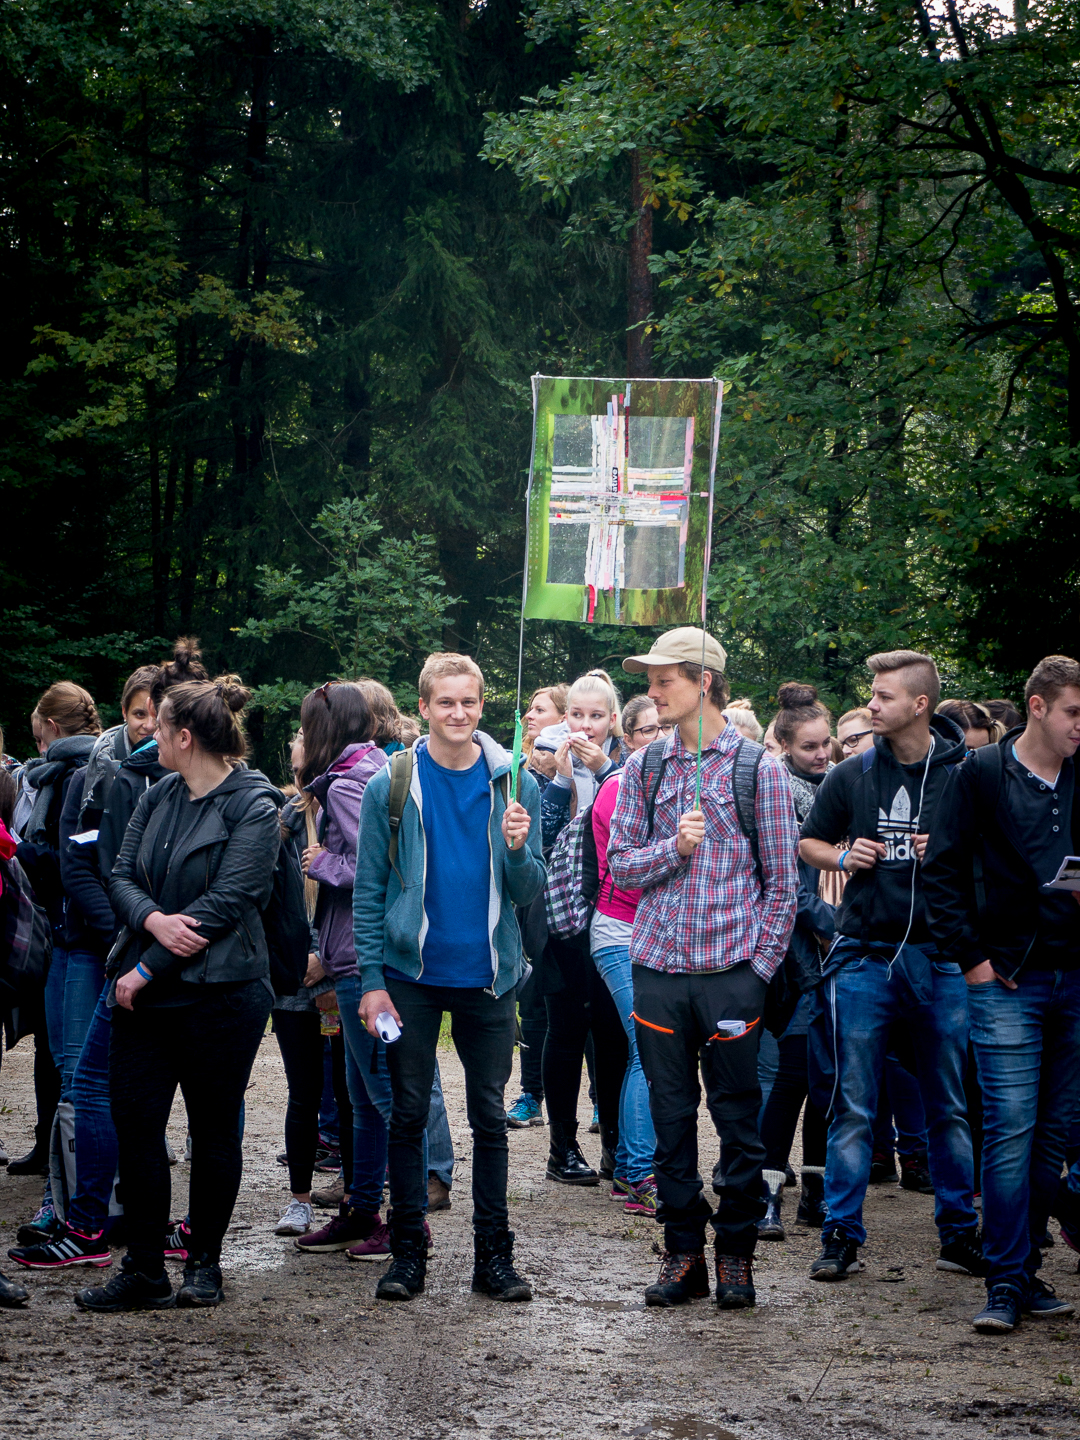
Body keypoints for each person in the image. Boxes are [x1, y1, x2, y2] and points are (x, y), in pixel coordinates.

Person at [74, 676, 280, 1312]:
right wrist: (152, 922)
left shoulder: (256, 805)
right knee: (136, 1125)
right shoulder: (159, 790)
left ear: (184, 737)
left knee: (213, 1129)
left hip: (221, 996)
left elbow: (226, 904)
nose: (153, 738)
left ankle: (204, 1266)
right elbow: (120, 873)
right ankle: (143, 1267)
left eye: (161, 729)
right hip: (148, 994)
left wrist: (145, 965)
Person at [608, 627, 799, 1310]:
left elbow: (783, 885)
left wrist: (759, 971)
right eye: (651, 680)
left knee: (739, 1120)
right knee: (669, 1117)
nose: (652, 692)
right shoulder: (645, 767)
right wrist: (673, 849)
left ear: (704, 682)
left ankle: (737, 1254)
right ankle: (683, 1250)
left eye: (664, 680)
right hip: (657, 967)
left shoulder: (760, 769)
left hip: (730, 973)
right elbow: (620, 865)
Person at [354, 652, 547, 1302]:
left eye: (469, 702)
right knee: (407, 1116)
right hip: (410, 975)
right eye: (446, 703)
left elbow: (529, 891)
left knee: (488, 1120)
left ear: (482, 705)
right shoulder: (394, 781)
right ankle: (407, 1253)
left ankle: (495, 1260)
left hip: (489, 978)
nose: (458, 713)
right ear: (426, 707)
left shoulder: (515, 781)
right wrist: (372, 978)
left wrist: (519, 848)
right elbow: (369, 890)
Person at [799, 650, 983, 1283]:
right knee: (854, 1103)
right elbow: (809, 843)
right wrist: (845, 855)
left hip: (942, 958)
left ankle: (959, 1235)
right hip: (865, 957)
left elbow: (1002, 858)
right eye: (871, 695)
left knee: (949, 1104)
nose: (871, 705)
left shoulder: (969, 775)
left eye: (882, 697)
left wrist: (957, 852)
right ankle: (841, 1235)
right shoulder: (851, 774)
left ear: (920, 705)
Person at [924, 654, 1080, 1333]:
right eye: (1075, 711)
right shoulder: (982, 774)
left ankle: (1024, 1265)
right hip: (1007, 979)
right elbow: (943, 872)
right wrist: (973, 961)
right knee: (1010, 1131)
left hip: (1075, 976)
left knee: (1057, 1135)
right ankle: (1006, 1279)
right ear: (1040, 707)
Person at [291, 681, 455, 1259]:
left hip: (366, 963)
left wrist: (322, 863)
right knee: (363, 1097)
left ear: (323, 731)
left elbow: (374, 868)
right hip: (355, 961)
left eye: (307, 728)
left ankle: (408, 1222)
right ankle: (362, 1210)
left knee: (387, 1096)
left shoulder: (346, 785)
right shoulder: (366, 771)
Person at [536, 670, 628, 1187]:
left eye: (597, 716)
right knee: (566, 1031)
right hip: (566, 924)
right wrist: (564, 780)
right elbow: (545, 845)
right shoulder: (552, 764)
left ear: (613, 720)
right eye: (577, 715)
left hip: (616, 918)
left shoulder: (633, 768)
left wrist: (608, 770)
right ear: (565, 715)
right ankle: (562, 1147)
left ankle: (616, 1143)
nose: (586, 726)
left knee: (613, 1035)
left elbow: (632, 832)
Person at [9, 684, 102, 1191]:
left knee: (73, 1063)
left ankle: (75, 1190)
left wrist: (21, 854)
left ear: (50, 725)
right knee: (58, 1055)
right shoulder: (51, 773)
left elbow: (74, 859)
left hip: (75, 931)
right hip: (60, 930)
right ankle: (59, 1168)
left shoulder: (76, 775)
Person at [756, 683, 835, 1240]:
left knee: (827, 1080)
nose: (822, 754)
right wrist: (835, 924)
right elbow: (785, 882)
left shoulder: (842, 787)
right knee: (790, 1077)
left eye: (826, 743)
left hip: (843, 955)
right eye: (810, 746)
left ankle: (817, 1192)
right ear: (784, 744)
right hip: (794, 955)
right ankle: (766, 1194)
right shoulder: (775, 793)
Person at [588, 696, 660, 1211]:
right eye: (646, 731)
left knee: (653, 1050)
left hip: (656, 935)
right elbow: (634, 870)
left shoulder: (662, 786)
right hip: (618, 931)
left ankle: (635, 1165)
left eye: (664, 730)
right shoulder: (619, 788)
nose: (656, 740)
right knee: (646, 1049)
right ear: (627, 736)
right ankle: (636, 1173)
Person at [505, 682, 567, 1129]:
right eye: (529, 707)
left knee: (574, 1008)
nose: (529, 715)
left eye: (539, 709)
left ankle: (601, 1101)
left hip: (572, 904)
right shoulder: (516, 770)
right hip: (531, 905)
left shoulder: (579, 773)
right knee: (535, 1001)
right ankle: (531, 1094)